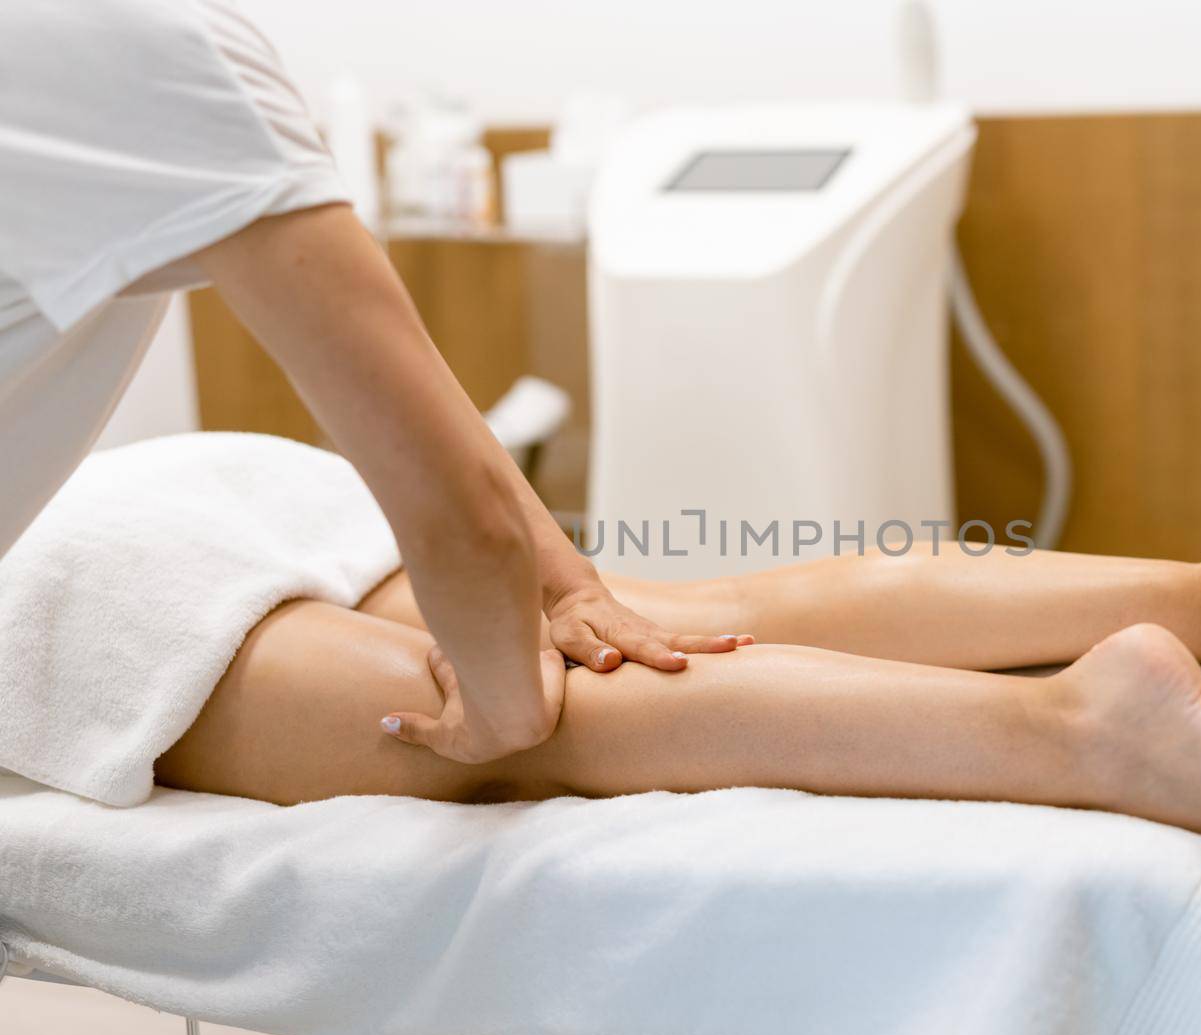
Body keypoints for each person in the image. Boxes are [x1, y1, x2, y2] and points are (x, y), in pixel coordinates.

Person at [154, 505, 1201, 963]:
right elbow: (412, 419)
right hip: (213, 491)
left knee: (546, 719)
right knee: (703, 610)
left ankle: (1079, 725)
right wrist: (555, 573)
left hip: (63, 579)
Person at [0, 0, 735, 766]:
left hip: (160, 515)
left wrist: (566, 587)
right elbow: (468, 523)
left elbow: (443, 461)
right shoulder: (147, 46)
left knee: (675, 635)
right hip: (103, 555)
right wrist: (504, 709)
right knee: (645, 679)